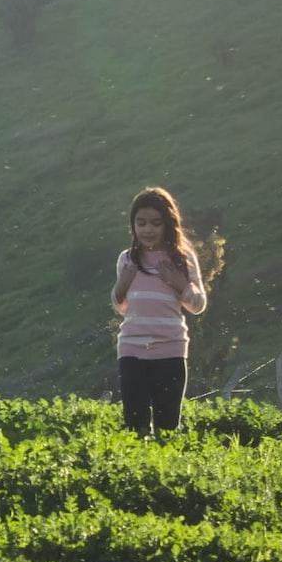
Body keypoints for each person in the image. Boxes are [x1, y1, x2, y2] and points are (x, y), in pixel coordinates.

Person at [111, 186, 209, 436]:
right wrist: (123, 282)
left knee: (167, 428)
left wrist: (179, 283)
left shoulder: (182, 258)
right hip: (131, 349)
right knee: (136, 427)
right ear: (133, 225)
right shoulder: (127, 259)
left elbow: (197, 305)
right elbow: (121, 307)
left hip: (171, 349)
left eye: (155, 223)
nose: (148, 230)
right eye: (141, 223)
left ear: (168, 224)